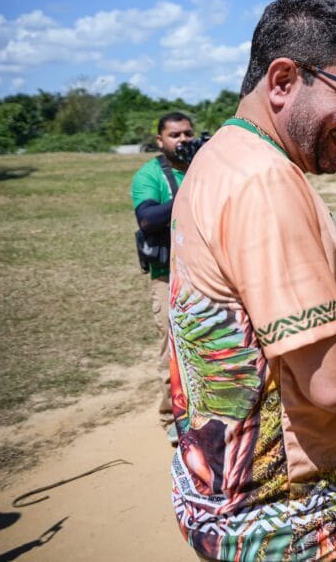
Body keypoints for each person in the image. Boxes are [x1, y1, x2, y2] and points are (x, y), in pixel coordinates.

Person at [166, 0, 336, 562]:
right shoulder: (266, 180)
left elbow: (230, 308)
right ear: (282, 81)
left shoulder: (223, 156)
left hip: (227, 503)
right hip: (283, 525)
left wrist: (335, 292)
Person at [131, 111, 195, 444]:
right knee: (171, 347)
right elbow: (147, 219)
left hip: (207, 274)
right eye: (175, 135)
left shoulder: (205, 166)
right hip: (167, 277)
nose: (183, 140)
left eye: (187, 133)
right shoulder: (150, 175)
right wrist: (193, 191)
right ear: (160, 140)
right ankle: (171, 416)